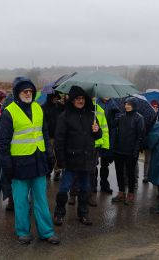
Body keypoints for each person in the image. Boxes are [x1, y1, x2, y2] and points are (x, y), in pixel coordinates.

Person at [0, 77, 59, 245]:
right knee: (21, 200)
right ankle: (23, 232)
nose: (28, 94)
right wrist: (7, 165)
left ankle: (46, 232)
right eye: (25, 91)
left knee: (41, 199)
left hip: (38, 160)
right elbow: (3, 143)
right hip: (19, 163)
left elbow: (44, 133)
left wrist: (50, 153)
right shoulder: (9, 112)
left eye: (30, 91)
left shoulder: (38, 108)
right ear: (18, 93)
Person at [53, 85, 102, 226]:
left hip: (87, 159)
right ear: (72, 100)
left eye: (82, 98)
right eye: (77, 98)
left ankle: (83, 214)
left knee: (85, 188)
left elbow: (98, 136)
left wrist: (97, 130)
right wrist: (61, 160)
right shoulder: (65, 116)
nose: (80, 101)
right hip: (71, 159)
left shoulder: (91, 115)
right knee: (64, 188)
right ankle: (59, 213)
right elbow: (59, 140)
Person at [111, 97, 144, 205]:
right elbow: (112, 126)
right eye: (125, 104)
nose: (126, 106)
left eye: (129, 104)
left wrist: (136, 151)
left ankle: (130, 194)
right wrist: (114, 115)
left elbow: (140, 136)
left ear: (134, 105)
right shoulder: (121, 116)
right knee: (119, 173)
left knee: (130, 174)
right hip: (119, 150)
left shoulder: (139, 118)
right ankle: (121, 193)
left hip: (130, 152)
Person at [41, 92, 65, 181]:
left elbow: (67, 109)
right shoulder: (43, 107)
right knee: (50, 155)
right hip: (49, 136)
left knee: (58, 154)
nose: (56, 99)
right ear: (50, 98)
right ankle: (48, 170)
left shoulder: (60, 106)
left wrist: (65, 99)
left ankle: (57, 171)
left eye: (57, 98)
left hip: (58, 135)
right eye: (54, 98)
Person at [143, 100, 159, 183]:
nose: (155, 108)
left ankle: (155, 177)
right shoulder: (148, 115)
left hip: (157, 142)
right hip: (149, 140)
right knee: (147, 160)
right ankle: (145, 176)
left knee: (156, 160)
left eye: (157, 107)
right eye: (154, 106)